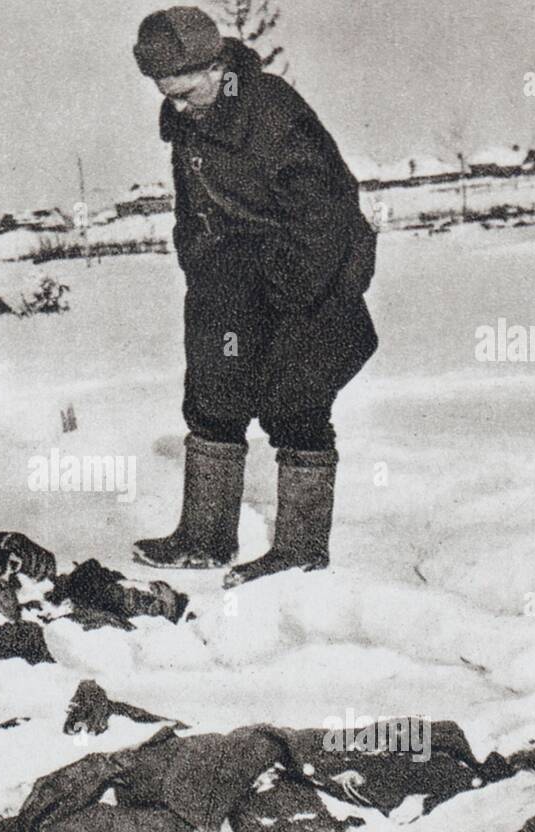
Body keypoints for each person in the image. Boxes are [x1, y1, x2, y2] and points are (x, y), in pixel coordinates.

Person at [130, 8, 379, 587]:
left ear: (218, 68)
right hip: (230, 276)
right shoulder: (191, 119)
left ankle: (300, 550)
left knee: (298, 402)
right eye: (168, 96)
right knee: (214, 394)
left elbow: (327, 210)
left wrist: (288, 288)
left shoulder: (273, 112)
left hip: (309, 272)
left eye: (187, 92)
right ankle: (204, 538)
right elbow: (191, 208)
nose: (179, 107)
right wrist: (203, 265)